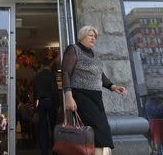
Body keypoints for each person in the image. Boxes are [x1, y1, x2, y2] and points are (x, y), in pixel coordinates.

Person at [62, 26, 127, 155]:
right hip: (81, 95)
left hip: (96, 97)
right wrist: (68, 96)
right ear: (82, 37)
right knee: (97, 129)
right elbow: (65, 73)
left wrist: (113, 87)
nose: (94, 38)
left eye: (95, 36)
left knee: (103, 129)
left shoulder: (94, 54)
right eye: (91, 35)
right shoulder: (73, 49)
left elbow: (100, 75)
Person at [33, 57, 58, 155]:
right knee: (53, 126)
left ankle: (44, 151)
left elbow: (35, 93)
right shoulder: (52, 75)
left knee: (42, 127)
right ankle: (55, 150)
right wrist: (58, 104)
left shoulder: (38, 76)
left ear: (42, 65)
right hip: (51, 102)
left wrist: (35, 107)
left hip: (42, 102)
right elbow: (54, 91)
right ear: (49, 65)